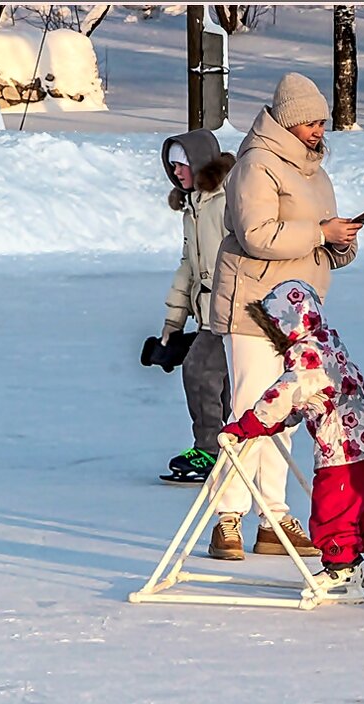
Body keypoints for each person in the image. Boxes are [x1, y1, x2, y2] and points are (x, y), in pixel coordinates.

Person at [208, 71, 363, 560]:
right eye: (311, 123)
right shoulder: (256, 164)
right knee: (252, 410)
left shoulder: (314, 172)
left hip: (298, 311)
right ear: (287, 121)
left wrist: (341, 243)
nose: (319, 131)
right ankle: (226, 518)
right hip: (254, 306)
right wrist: (321, 233)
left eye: (322, 122)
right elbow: (257, 234)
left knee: (289, 412)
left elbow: (316, 235)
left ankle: (272, 515)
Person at [221, 280, 364, 597]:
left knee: (331, 509)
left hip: (344, 444)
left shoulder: (306, 357)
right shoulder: (327, 341)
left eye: (274, 328)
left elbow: (282, 396)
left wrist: (246, 426)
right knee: (358, 506)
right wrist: (284, 420)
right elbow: (313, 396)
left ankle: (341, 568)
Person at [157, 129, 234, 483]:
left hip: (231, 308)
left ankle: (210, 450)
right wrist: (174, 318)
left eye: (181, 165)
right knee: (221, 380)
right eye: (172, 166)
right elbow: (189, 264)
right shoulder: (194, 206)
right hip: (207, 312)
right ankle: (231, 445)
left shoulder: (225, 201)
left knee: (200, 372)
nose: (176, 173)